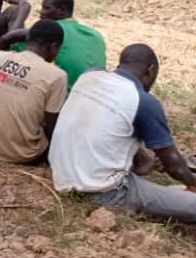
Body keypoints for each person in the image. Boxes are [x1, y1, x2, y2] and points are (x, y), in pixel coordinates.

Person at [50, 45, 196, 223]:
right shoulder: (143, 100)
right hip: (104, 192)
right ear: (150, 71)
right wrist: (192, 182)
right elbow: (175, 167)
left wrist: (140, 160)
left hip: (61, 177)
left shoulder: (90, 75)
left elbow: (102, 128)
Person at [0, 20, 67, 164]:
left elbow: (1, 47)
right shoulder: (57, 76)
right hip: (23, 153)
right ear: (53, 47)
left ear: (27, 39)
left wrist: (5, 39)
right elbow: (51, 126)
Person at [0, 0, 106, 91]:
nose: (41, 12)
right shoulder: (95, 35)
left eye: (46, 8)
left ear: (62, 11)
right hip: (95, 96)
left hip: (63, 98)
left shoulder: (52, 31)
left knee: (27, 47)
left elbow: (9, 37)